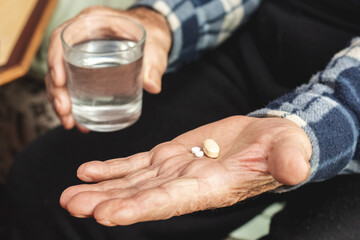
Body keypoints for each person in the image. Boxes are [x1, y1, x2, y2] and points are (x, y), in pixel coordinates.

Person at [5, 0, 360, 239]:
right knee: (41, 188)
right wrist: (161, 21)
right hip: (264, 47)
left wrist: (305, 127)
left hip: (351, 98)